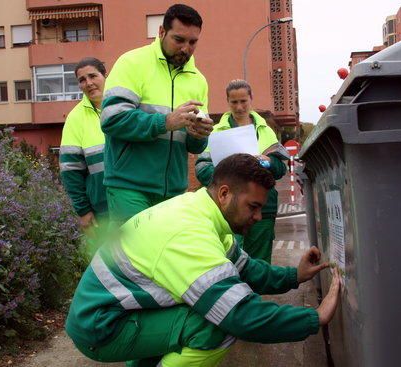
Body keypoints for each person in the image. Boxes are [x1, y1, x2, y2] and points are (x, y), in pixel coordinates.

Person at [66, 153, 341, 367]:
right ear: (224, 193)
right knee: (213, 326)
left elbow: (245, 269)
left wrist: (295, 275)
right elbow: (239, 315)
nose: (258, 217)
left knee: (200, 307)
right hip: (101, 325)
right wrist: (313, 318)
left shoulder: (204, 212)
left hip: (119, 309)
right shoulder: (189, 235)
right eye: (253, 207)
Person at [101, 4, 214, 225]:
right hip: (129, 186)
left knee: (164, 258)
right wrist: (165, 122)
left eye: (193, 42)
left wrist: (199, 135)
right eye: (179, 40)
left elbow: (195, 147)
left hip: (173, 192)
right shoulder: (132, 63)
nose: (185, 48)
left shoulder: (198, 80)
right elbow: (112, 119)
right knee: (134, 256)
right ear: (161, 32)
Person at [195, 79, 289, 263]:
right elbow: (202, 170)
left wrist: (268, 162)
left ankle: (255, 294)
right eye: (234, 102)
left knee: (260, 264)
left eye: (243, 101)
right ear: (227, 102)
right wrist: (230, 175)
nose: (239, 107)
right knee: (229, 262)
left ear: (251, 99)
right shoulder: (216, 132)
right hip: (228, 209)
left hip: (263, 207)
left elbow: (280, 169)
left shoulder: (266, 131)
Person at [59, 57, 108, 256]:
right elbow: (70, 170)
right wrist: (83, 211)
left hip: (134, 201)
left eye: (93, 76)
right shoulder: (75, 118)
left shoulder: (126, 107)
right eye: (82, 80)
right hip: (101, 211)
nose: (88, 83)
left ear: (106, 75)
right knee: (108, 264)